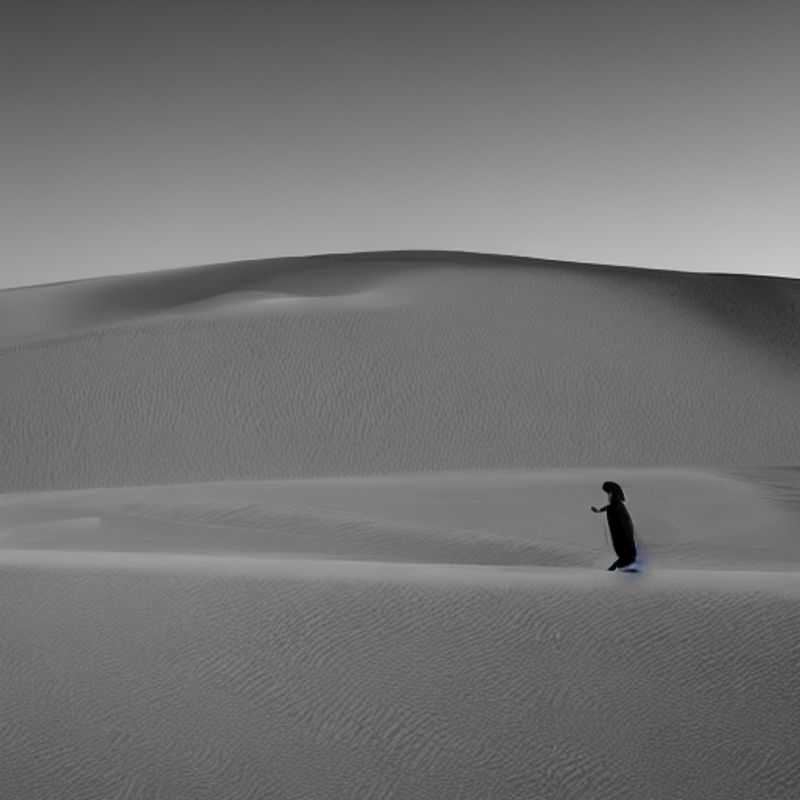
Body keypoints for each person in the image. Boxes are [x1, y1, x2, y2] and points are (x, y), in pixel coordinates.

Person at [591, 481, 638, 571]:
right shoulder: (616, 506)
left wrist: (599, 510)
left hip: (624, 541)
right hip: (623, 543)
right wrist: (599, 510)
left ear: (614, 494)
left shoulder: (618, 507)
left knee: (625, 558)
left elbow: (612, 509)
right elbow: (610, 507)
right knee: (625, 557)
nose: (608, 497)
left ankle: (618, 567)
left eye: (609, 494)